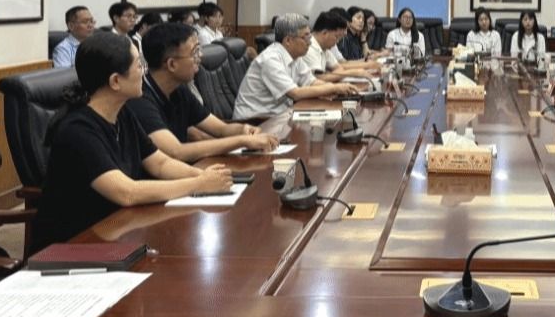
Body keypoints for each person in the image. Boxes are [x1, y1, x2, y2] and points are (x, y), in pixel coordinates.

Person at [29, 32, 233, 252]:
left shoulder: (122, 113)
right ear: (115, 81)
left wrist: (203, 176)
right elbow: (127, 192)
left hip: (116, 232)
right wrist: (197, 185)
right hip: (71, 247)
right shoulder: (77, 130)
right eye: (139, 66)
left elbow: (160, 164)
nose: (144, 72)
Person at [128, 23, 278, 161]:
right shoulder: (140, 100)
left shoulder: (179, 90)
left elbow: (221, 129)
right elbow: (176, 151)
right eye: (194, 52)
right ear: (172, 64)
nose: (200, 56)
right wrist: (242, 141)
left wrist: (243, 130)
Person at [233, 14, 359, 118]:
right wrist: (334, 88)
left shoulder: (296, 57)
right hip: (254, 121)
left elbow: (311, 82)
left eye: (310, 37)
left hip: (279, 115)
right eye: (306, 37)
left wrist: (338, 88)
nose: (310, 42)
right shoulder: (270, 59)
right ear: (288, 40)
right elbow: (295, 93)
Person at [304, 11, 379, 80]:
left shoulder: (325, 48)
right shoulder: (308, 48)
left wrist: (333, 74)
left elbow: (338, 68)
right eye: (336, 37)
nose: (337, 42)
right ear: (325, 33)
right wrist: (353, 73)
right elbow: (319, 78)